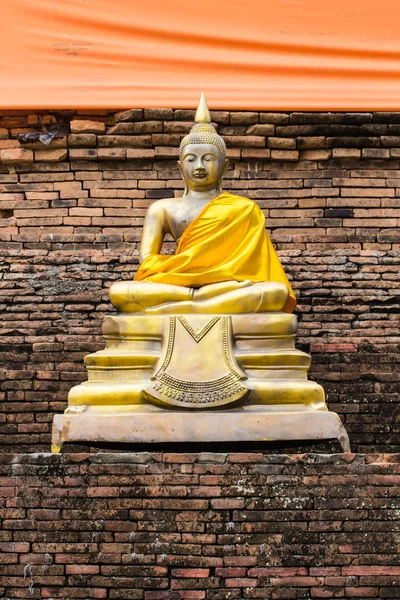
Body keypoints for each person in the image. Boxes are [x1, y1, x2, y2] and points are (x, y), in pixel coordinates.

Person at [110, 94, 296, 315]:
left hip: (227, 284)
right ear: (180, 167)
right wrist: (190, 271)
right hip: (195, 287)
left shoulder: (244, 209)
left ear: (224, 166)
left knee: (276, 292)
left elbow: (255, 267)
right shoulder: (162, 208)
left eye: (208, 159)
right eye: (191, 159)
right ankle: (198, 298)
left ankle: (188, 303)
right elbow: (147, 262)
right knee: (120, 291)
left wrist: (214, 274)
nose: (199, 166)